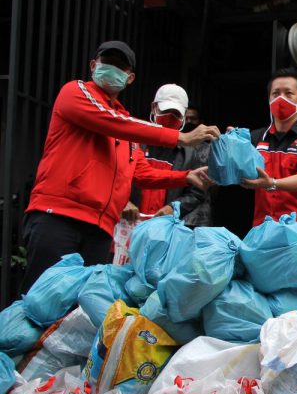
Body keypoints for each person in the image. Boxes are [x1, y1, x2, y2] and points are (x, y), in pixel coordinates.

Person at [21, 40, 220, 293]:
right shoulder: (76, 92)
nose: (113, 69)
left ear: (130, 78)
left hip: (101, 229)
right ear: (93, 65)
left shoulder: (123, 123)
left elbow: (141, 172)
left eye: (121, 67)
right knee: (39, 302)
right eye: (108, 63)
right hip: (60, 217)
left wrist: (187, 176)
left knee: (79, 313)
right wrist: (180, 137)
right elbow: (110, 121)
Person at [240, 67, 297, 231]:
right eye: (276, 93)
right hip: (262, 227)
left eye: (288, 93)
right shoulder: (255, 138)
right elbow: (238, 169)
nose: (281, 98)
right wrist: (230, 143)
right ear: (269, 99)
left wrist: (272, 184)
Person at [124, 84, 212, 227]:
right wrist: (122, 202)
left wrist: (174, 207)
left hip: (169, 228)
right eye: (166, 111)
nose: (170, 117)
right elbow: (113, 177)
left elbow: (198, 192)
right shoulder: (133, 142)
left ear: (183, 115)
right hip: (128, 225)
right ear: (154, 108)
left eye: (176, 113)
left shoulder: (194, 152)